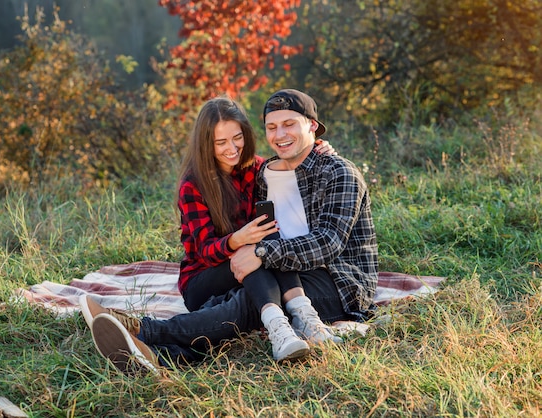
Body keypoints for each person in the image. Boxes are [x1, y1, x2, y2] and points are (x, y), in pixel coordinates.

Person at [83, 89, 378, 375]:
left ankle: (145, 332)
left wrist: (259, 253)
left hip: (340, 282)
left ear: (312, 126)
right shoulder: (268, 173)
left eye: (289, 124)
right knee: (252, 293)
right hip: (236, 271)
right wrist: (249, 248)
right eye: (272, 127)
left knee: (249, 300)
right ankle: (163, 355)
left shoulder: (337, 171)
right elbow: (212, 247)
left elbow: (328, 242)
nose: (280, 135)